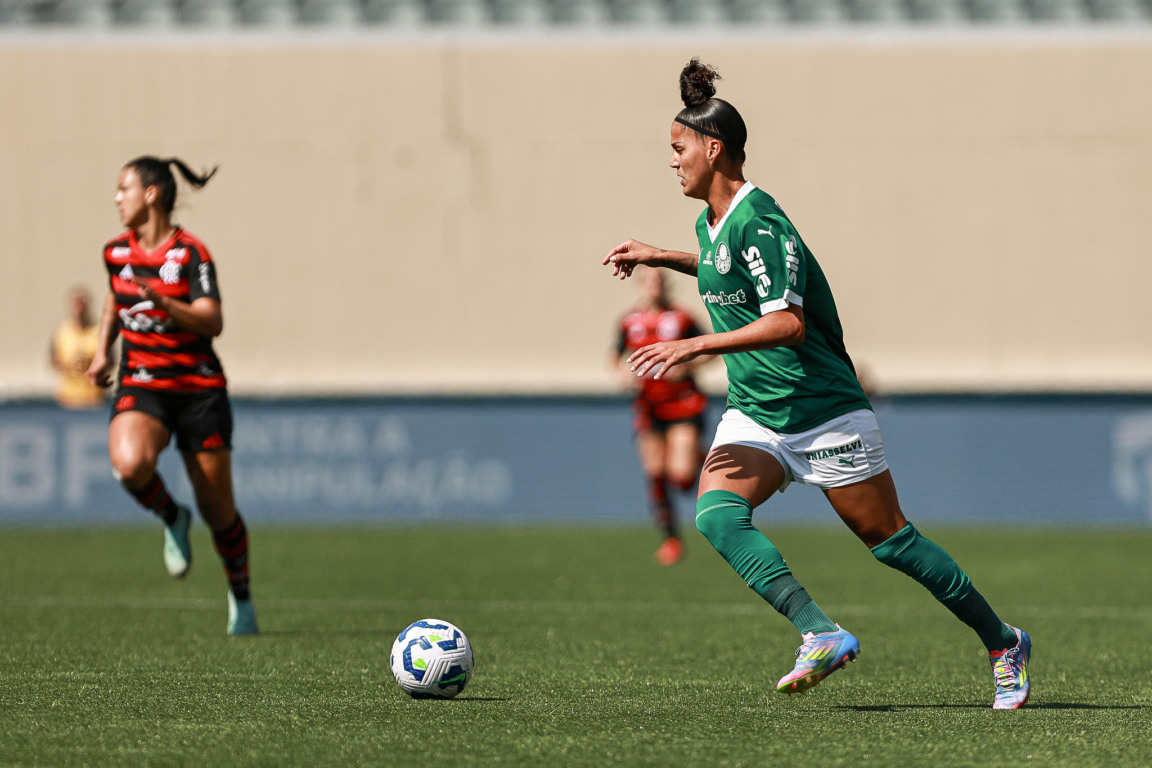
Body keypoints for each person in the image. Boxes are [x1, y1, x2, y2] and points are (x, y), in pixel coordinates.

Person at [602, 59, 1030, 709]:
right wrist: (660, 255)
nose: (672, 161)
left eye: (678, 148)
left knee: (892, 544)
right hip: (756, 412)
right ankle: (819, 631)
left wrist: (696, 343)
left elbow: (788, 323)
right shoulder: (712, 225)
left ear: (713, 149)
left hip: (821, 409)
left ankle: (1003, 642)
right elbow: (722, 267)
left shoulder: (760, 220)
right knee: (717, 516)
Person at [86, 156, 257, 637]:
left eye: (125, 188)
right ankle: (170, 515)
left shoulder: (190, 254)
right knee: (129, 464)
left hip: (199, 389)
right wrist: (103, 352)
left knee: (219, 510)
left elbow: (213, 320)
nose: (118, 198)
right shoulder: (116, 252)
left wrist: (164, 302)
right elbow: (113, 298)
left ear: (153, 194)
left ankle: (241, 596)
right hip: (143, 382)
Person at [611, 267, 710, 565]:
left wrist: (688, 367)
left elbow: (710, 349)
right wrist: (621, 374)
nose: (654, 286)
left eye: (659, 281)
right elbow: (616, 354)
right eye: (648, 281)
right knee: (655, 473)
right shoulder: (630, 320)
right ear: (641, 285)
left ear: (666, 285)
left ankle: (699, 456)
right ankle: (671, 540)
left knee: (680, 478)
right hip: (648, 406)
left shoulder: (683, 318)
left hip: (683, 405)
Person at [50, 287, 106, 409]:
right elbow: (53, 360)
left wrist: (91, 365)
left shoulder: (99, 331)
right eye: (76, 305)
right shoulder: (62, 331)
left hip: (93, 398)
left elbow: (110, 360)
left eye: (82, 305)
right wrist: (70, 364)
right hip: (67, 398)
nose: (79, 310)